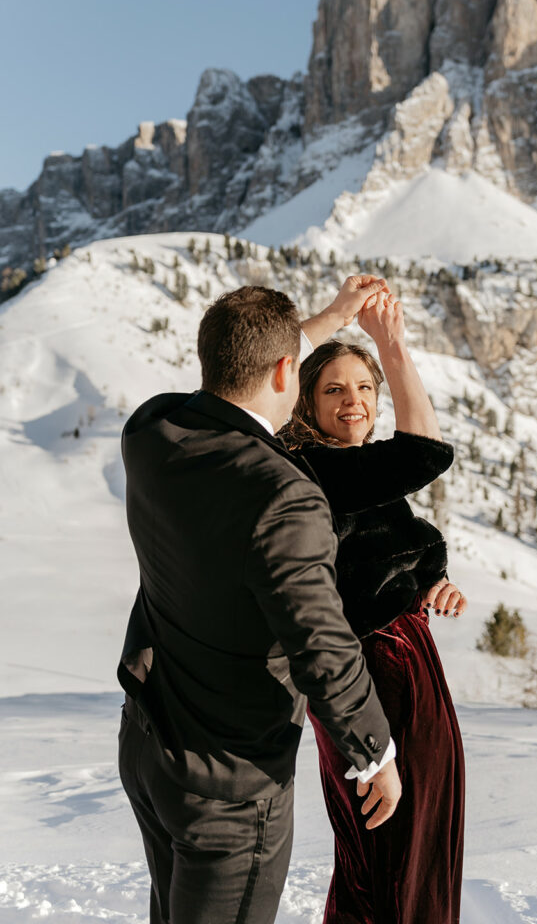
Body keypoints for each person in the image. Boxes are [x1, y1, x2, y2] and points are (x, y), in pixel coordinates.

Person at [117, 276, 403, 924]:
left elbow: (247, 368)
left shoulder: (152, 430)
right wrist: (374, 751)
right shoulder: (283, 495)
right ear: (286, 371)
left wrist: (328, 318)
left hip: (148, 748)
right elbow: (321, 644)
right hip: (230, 786)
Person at [279, 289, 467, 924]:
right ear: (304, 401)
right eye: (333, 389)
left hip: (414, 664)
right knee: (381, 845)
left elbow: (408, 553)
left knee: (421, 837)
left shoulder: (362, 473)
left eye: (365, 386)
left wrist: (434, 586)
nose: (353, 400)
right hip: (365, 674)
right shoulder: (307, 469)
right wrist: (389, 344)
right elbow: (426, 451)